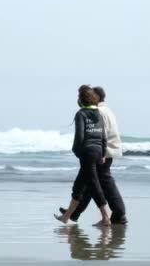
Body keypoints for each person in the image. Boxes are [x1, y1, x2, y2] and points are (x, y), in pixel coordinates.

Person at [59, 86, 127, 224]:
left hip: (102, 153)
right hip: (104, 151)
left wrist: (81, 151)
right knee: (91, 182)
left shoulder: (98, 111)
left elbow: (100, 134)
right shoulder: (107, 110)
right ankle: (74, 213)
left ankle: (118, 213)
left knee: (101, 182)